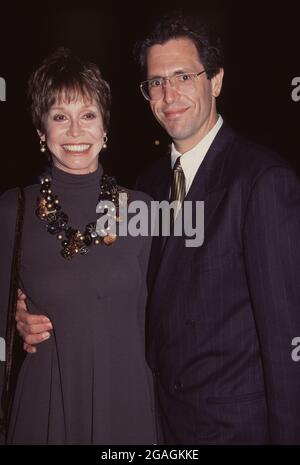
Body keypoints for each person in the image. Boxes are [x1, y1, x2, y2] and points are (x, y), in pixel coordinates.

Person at [15, 13, 300, 444]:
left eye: (183, 75)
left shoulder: (261, 181)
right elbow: (99, 282)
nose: (169, 94)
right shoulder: (145, 190)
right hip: (157, 423)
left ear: (216, 81)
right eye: (156, 82)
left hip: (236, 430)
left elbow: (286, 344)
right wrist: (24, 308)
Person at [0, 48, 157, 445]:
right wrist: (16, 319)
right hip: (46, 409)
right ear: (42, 131)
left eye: (87, 115)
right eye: (59, 117)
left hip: (127, 405)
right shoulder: (12, 210)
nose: (75, 131)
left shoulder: (142, 208)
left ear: (105, 129)